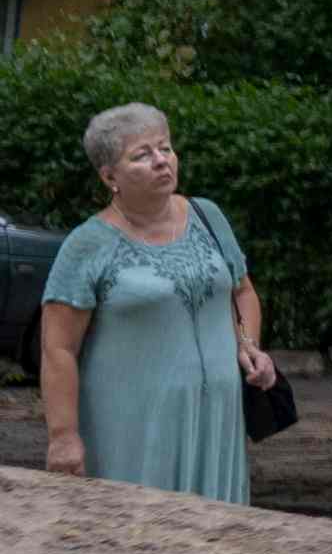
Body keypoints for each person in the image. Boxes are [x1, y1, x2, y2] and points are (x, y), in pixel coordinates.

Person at [40, 106, 268, 504]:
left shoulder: (207, 215)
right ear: (110, 177)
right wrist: (63, 436)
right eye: (142, 155)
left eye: (165, 148)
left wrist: (249, 344)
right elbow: (57, 348)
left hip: (217, 419)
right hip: (134, 426)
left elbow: (242, 291)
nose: (161, 160)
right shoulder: (87, 245)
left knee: (218, 538)